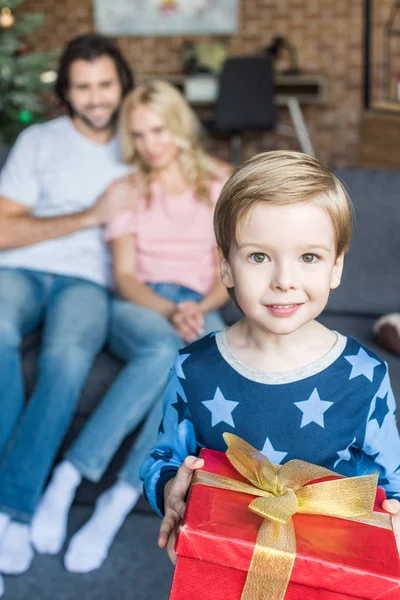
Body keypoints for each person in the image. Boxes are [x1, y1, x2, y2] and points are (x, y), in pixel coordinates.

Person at [140, 151, 400, 563]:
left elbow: (393, 483)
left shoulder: (366, 376)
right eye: (259, 257)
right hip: (221, 563)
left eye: (308, 257)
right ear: (225, 266)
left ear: (336, 266)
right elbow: (164, 459)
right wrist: (170, 489)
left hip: (330, 572)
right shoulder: (193, 367)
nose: (284, 281)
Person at [31, 80, 231, 573]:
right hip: (141, 302)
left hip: (204, 300)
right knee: (164, 351)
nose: (149, 144)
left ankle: (117, 500)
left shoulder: (221, 183)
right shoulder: (125, 190)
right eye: (139, 135)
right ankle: (69, 477)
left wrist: (198, 306)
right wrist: (170, 311)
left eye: (158, 130)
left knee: (193, 372)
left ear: (179, 126)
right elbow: (122, 277)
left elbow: (232, 267)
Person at [0, 33, 135, 593]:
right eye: (83, 87)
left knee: (66, 359)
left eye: (105, 84)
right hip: (20, 269)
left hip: (89, 280)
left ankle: (14, 510)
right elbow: (5, 228)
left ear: (122, 84)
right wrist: (89, 214)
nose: (96, 97)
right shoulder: (39, 140)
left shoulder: (141, 139)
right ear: (66, 91)